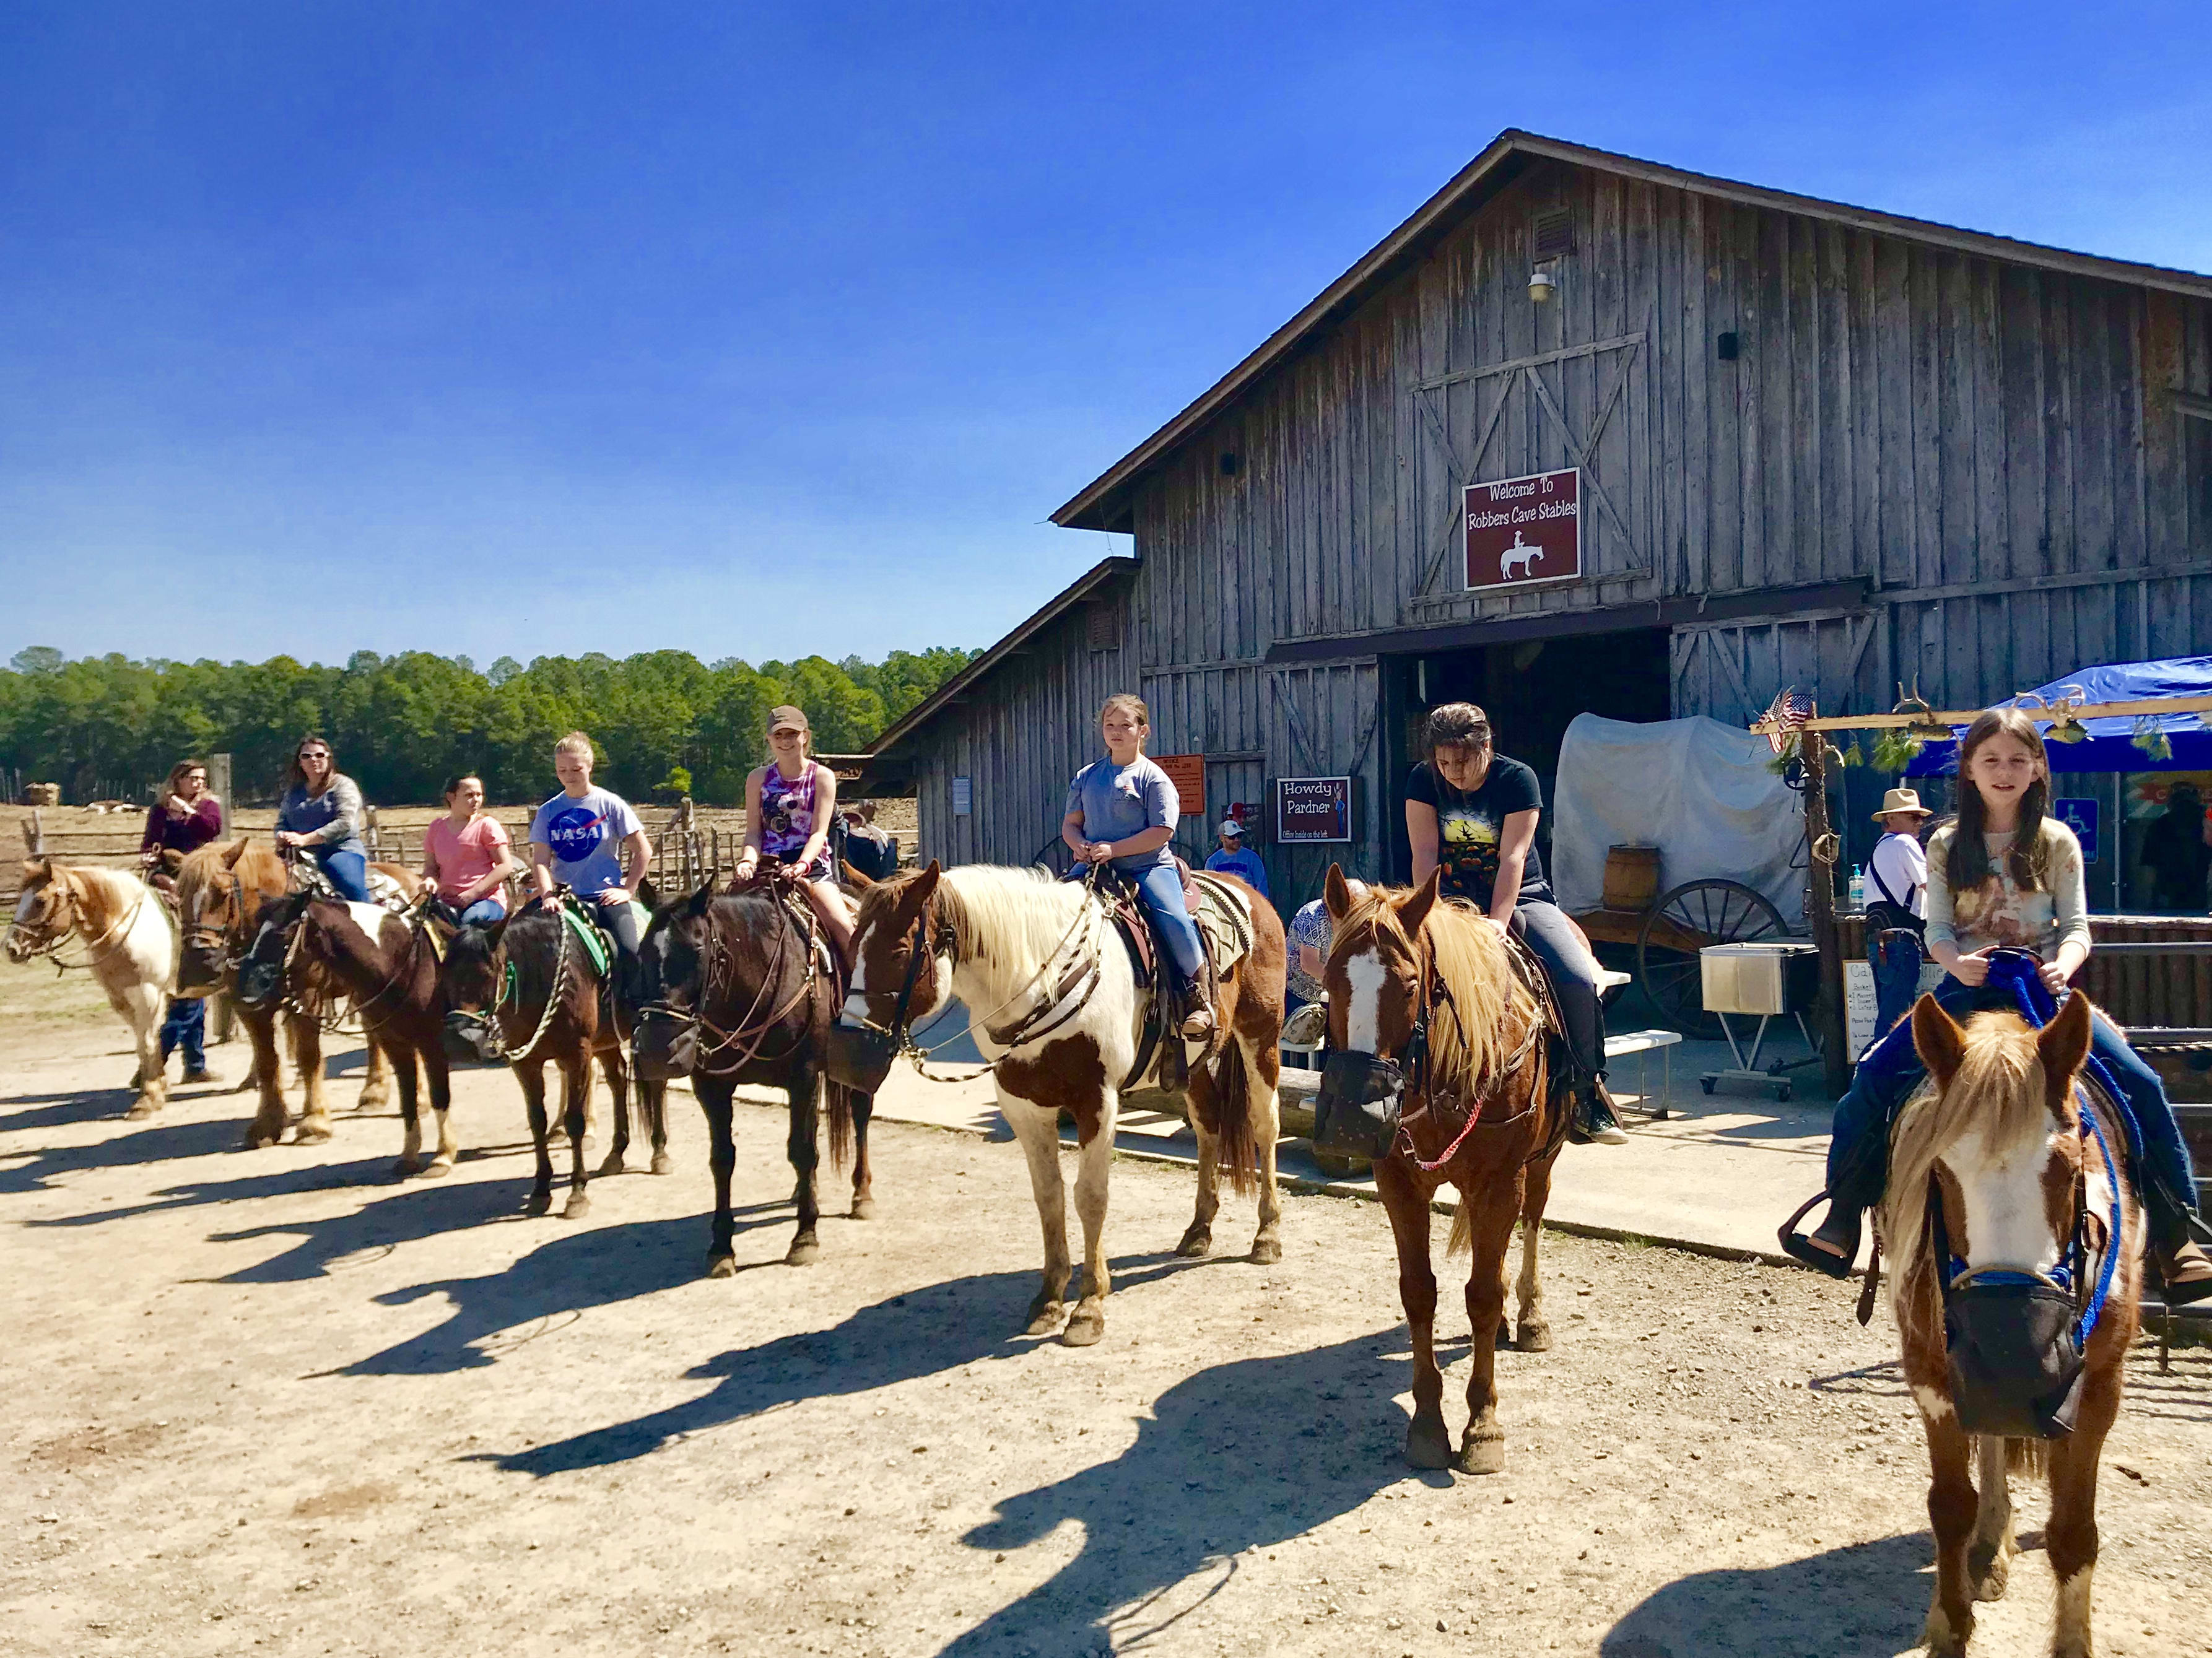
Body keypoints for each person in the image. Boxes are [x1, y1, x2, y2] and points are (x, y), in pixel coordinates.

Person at [1791, 707, 2211, 1303]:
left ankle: (2175, 1232)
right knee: (1875, 1076)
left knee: (2139, 1082)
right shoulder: (1942, 842)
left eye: (2019, 759)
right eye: (1991, 759)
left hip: (2043, 988)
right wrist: (1954, 961)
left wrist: (2065, 963)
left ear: (2039, 768)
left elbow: (2077, 926)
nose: (2005, 770)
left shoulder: (2055, 841)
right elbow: (1936, 927)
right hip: (1967, 986)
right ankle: (1843, 1211)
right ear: (1969, 769)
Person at [1404, 702, 1626, 1145]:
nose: (1453, 773)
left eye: (1462, 762)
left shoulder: (1517, 780)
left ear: (1487, 747)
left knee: (1578, 979)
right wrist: (1433, 914)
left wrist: (1497, 925)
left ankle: (1588, 1093)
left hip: (1522, 895)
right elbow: (1425, 854)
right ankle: (1369, 1088)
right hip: (1448, 901)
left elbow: (1513, 858)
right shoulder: (1422, 780)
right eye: (1443, 763)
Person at [1063, 693, 1213, 1039]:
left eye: (1125, 725)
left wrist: (1113, 849)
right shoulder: (1087, 777)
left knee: (1173, 918)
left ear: (1143, 731)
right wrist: (1078, 845)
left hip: (1147, 868)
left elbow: (1162, 832)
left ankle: (1198, 997)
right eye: (1110, 725)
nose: (1116, 732)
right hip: (1095, 868)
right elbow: (1071, 824)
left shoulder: (1153, 778)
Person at [734, 705, 856, 961]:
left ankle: (860, 993)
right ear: (769, 740)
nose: (785, 741)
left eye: (791, 734)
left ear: (805, 736)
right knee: (718, 921)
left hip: (810, 867)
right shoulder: (757, 778)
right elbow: (754, 832)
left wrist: (802, 864)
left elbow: (819, 832)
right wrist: (748, 861)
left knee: (844, 929)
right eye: (778, 735)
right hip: (767, 866)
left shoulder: (821, 777)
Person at [528, 732, 654, 976]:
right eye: (562, 771)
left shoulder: (610, 804)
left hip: (605, 897)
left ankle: (635, 1007)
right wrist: (548, 896)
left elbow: (643, 851)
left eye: (576, 769)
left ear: (590, 766)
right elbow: (541, 861)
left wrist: (628, 890)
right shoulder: (548, 811)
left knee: (631, 951)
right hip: (566, 898)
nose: (569, 777)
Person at [141, 758, 224, 1083]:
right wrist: (148, 855)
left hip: (200, 873)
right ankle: (195, 1063)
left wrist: (188, 813)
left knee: (194, 988)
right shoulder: (159, 810)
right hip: (168, 873)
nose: (198, 784)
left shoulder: (209, 808)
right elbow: (151, 841)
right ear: (177, 780)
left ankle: (187, 1061)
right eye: (192, 778)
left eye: (202, 778)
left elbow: (211, 831)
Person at [1863, 787, 1934, 1039]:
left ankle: (1879, 1072)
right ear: (1891, 819)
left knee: (1889, 1016)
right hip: (1901, 943)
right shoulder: (1905, 843)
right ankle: (1882, 1074)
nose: (1920, 822)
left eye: (1920, 817)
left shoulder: (1879, 849)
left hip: (1880, 943)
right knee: (1896, 1023)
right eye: (1913, 817)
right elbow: (1931, 886)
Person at [275, 736, 374, 903]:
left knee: (350, 885)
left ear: (329, 758)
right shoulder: (293, 792)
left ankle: (368, 919)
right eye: (306, 756)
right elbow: (282, 822)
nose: (313, 760)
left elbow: (345, 823)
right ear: (300, 762)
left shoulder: (343, 786)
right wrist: (281, 835)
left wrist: (305, 839)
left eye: (320, 755)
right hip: (296, 855)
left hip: (339, 851)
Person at [422, 773, 522, 926]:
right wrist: (429, 881)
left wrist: (474, 893)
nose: (476, 800)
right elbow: (431, 868)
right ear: (451, 797)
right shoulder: (436, 828)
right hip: (447, 902)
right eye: (469, 795)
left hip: (486, 901)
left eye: (479, 795)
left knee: (468, 925)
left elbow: (505, 866)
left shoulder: (487, 825)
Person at [2140, 781, 2211, 912]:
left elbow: (2149, 869)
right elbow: (2149, 867)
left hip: (2170, 896)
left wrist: (2151, 899)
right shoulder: (2205, 824)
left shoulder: (2159, 826)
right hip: (2193, 895)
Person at [1204, 818, 1269, 898]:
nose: (1237, 840)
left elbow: (1261, 884)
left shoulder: (1252, 858)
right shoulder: (1213, 861)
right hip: (1223, 902)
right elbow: (1208, 887)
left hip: (1246, 902)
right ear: (1222, 838)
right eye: (1232, 837)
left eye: (1239, 836)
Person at [840, 801, 900, 884]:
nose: (873, 813)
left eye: (873, 809)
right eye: (870, 809)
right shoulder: (878, 833)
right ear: (862, 810)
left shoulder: (878, 833)